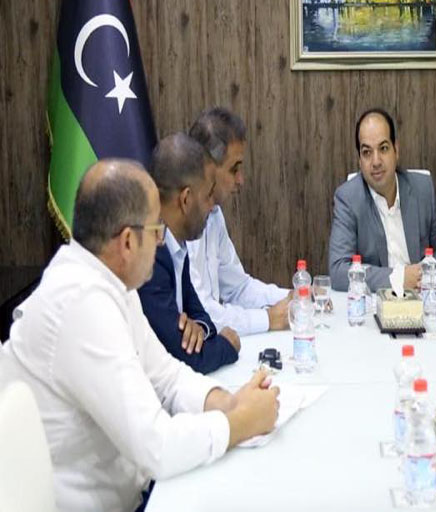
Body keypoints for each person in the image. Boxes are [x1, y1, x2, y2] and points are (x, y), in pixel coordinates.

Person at [2, 160, 280, 512]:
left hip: (135, 490)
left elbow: (166, 375)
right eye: (156, 230)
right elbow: (156, 447)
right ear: (128, 242)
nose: (161, 241)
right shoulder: (80, 302)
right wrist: (239, 423)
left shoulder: (112, 281)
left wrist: (226, 401)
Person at [138, 134, 240, 373]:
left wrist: (199, 329)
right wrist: (227, 345)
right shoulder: (149, 257)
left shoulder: (176, 246)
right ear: (185, 200)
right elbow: (185, 357)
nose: (212, 206)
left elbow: (202, 318)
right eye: (208, 196)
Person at [328, 108, 436, 292]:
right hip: (375, 303)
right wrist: (399, 278)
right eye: (367, 152)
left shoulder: (423, 189)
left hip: (422, 297)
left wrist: (422, 275)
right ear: (359, 160)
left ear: (396, 150)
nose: (376, 161)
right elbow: (339, 272)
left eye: (383, 148)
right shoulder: (348, 198)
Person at [187, 107, 291, 336]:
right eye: (234, 169)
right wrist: (268, 319)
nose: (241, 180)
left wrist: (292, 297)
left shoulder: (214, 215)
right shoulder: (182, 224)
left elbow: (237, 287)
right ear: (207, 168)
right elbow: (201, 313)